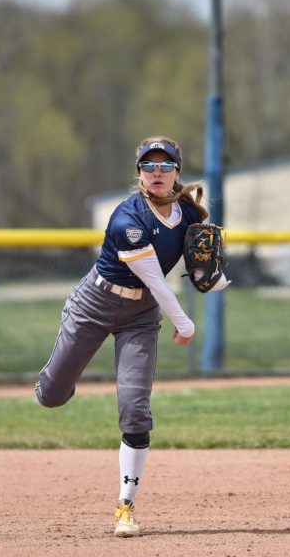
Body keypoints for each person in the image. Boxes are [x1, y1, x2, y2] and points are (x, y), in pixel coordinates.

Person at [34, 136, 228, 538]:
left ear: (177, 171)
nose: (156, 172)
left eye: (165, 165)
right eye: (148, 165)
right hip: (95, 303)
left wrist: (215, 279)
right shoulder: (128, 219)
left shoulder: (190, 215)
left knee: (135, 410)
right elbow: (156, 280)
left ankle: (125, 506)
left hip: (139, 317)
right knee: (51, 396)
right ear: (138, 173)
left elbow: (197, 270)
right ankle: (56, 381)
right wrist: (185, 323)